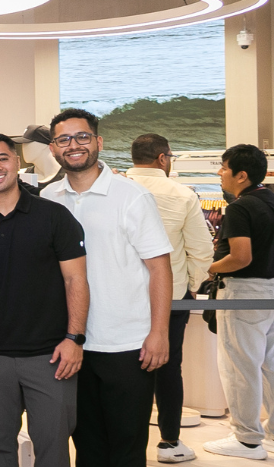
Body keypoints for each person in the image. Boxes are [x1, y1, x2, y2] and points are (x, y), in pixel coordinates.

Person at [0, 134, 88, 467]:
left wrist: (74, 338)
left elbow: (76, 280)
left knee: (53, 449)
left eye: (3, 158)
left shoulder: (54, 216)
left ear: (17, 163)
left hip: (51, 357)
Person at [41, 108, 172, 467]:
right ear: (53, 149)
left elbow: (159, 268)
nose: (74, 145)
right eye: (64, 139)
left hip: (127, 345)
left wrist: (159, 332)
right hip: (72, 344)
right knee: (87, 446)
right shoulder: (47, 199)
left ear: (98, 141)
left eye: (82, 136)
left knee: (127, 448)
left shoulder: (131, 196)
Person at [125, 133, 212, 463]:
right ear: (162, 158)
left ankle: (126, 443)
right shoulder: (182, 194)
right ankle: (169, 443)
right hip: (171, 298)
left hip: (121, 298)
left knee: (122, 369)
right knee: (168, 367)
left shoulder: (117, 188)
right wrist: (191, 285)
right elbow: (201, 251)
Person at [203, 144, 274, 460]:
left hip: (243, 292)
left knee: (240, 367)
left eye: (224, 167)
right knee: (270, 364)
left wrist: (210, 267)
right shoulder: (270, 200)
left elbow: (240, 257)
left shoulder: (240, 208)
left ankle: (246, 440)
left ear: (241, 175)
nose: (220, 173)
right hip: (270, 290)